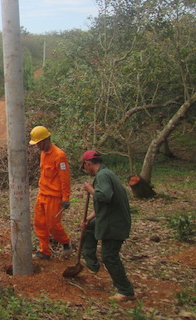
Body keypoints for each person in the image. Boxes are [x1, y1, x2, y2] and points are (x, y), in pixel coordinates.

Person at [80, 150, 135, 301]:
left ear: (88, 164)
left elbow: (104, 197)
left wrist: (91, 190)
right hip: (111, 217)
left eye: (84, 167)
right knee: (89, 227)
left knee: (110, 256)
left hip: (115, 223)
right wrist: (88, 219)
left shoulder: (103, 176)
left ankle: (126, 291)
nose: (86, 170)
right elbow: (104, 205)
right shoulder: (106, 174)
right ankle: (91, 263)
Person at [29, 125, 72, 259]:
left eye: (38, 143)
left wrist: (66, 197)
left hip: (54, 197)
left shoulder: (59, 156)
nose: (37, 146)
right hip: (42, 194)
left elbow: (64, 178)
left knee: (53, 225)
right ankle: (44, 251)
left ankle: (66, 242)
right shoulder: (43, 154)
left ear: (45, 140)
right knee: (39, 223)